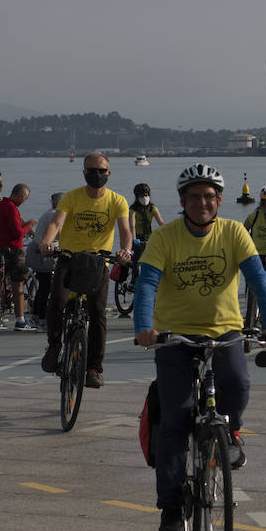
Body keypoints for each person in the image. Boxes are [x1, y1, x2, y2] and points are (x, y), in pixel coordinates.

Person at [132, 163, 266, 531]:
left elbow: (258, 279)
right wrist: (144, 328)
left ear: (218, 201)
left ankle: (230, 433)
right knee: (176, 418)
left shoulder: (233, 232)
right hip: (175, 338)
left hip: (224, 332)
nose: (203, 202)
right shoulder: (164, 237)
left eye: (210, 196)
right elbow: (148, 282)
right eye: (195, 197)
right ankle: (170, 507)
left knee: (238, 383)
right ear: (183, 201)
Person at [39, 152, 134, 387]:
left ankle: (94, 368)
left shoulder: (117, 201)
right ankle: (54, 346)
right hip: (70, 259)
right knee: (57, 301)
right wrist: (47, 242)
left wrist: (126, 251)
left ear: (109, 173)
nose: (97, 175)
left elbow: (125, 231)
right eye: (92, 170)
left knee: (98, 312)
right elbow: (56, 222)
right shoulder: (72, 197)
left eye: (102, 171)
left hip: (98, 263)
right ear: (84, 173)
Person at [0, 183, 37, 331]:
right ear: (20, 195)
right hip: (13, 250)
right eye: (25, 198)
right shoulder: (11, 208)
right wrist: (29, 225)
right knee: (18, 284)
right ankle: (20, 320)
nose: (24, 201)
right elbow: (18, 233)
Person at [25, 192, 63, 329]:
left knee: (43, 286)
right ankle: (42, 319)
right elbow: (60, 235)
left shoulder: (50, 213)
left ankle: (36, 317)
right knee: (46, 287)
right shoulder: (55, 215)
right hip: (42, 254)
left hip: (38, 252)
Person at [129, 183, 165, 271]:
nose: (144, 198)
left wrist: (167, 235)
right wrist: (134, 239)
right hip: (137, 237)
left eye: (146, 195)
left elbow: (161, 223)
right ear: (137, 197)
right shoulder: (133, 209)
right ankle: (134, 279)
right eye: (142, 196)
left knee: (154, 259)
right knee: (137, 258)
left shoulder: (152, 208)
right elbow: (132, 225)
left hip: (149, 237)